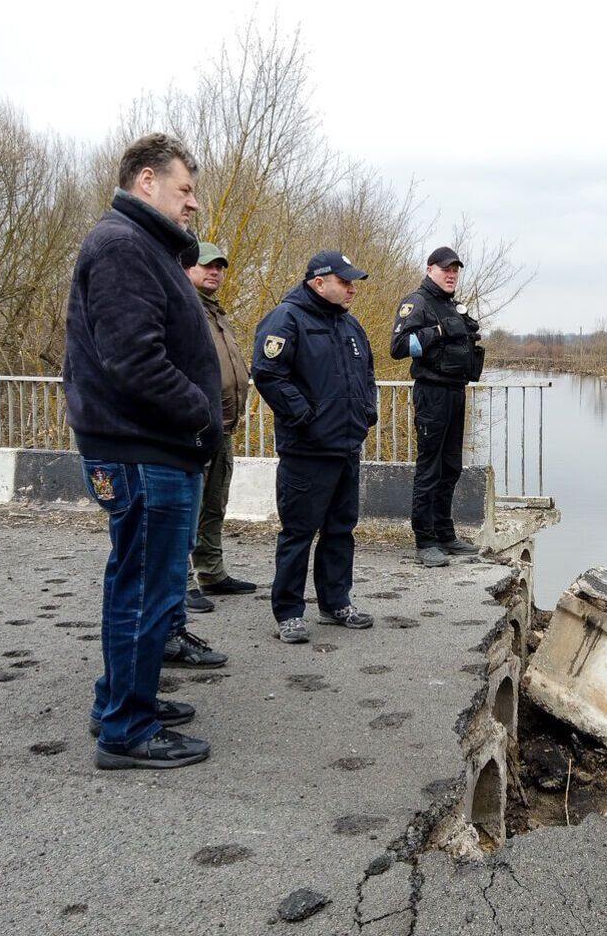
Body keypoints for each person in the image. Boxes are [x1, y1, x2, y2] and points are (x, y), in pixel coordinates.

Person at [64, 133, 222, 770]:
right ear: (147, 181)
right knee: (146, 590)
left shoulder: (139, 247)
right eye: (184, 190)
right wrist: (202, 417)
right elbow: (134, 361)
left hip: (148, 448)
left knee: (136, 581)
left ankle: (120, 701)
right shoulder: (124, 246)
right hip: (143, 451)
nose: (192, 205)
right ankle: (128, 729)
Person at [252, 250, 380, 644]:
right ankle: (289, 611)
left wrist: (367, 413)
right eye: (345, 282)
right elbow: (268, 374)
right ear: (319, 282)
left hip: (346, 446)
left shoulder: (350, 325)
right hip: (307, 450)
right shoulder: (287, 319)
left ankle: (335, 602)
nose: (352, 289)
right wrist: (305, 417)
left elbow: (367, 373)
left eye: (353, 282)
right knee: (299, 532)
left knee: (341, 529)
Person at [390, 246, 485, 567]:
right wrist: (437, 332)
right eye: (446, 269)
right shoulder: (417, 302)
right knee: (430, 468)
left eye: (456, 269)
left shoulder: (450, 305)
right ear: (430, 269)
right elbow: (399, 347)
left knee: (451, 467)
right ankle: (425, 540)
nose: (452, 274)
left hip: (455, 391)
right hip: (432, 393)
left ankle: (445, 533)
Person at [182, 242, 256, 614]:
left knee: (214, 504)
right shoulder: (184, 308)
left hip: (222, 428)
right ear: (187, 268)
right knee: (187, 507)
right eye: (207, 266)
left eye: (220, 267)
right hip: (194, 427)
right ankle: (179, 582)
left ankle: (210, 571)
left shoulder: (215, 312)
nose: (215, 272)